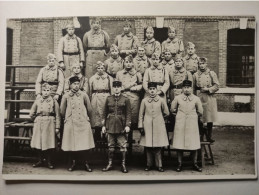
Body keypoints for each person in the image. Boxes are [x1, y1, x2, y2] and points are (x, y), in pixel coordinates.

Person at [60, 76, 95, 172]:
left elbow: (90, 109)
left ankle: (85, 163)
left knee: (85, 144)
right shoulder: (66, 96)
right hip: (71, 122)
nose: (76, 86)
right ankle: (73, 162)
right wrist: (68, 118)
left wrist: (86, 118)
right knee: (72, 144)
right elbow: (62, 111)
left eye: (77, 84)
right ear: (70, 85)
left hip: (83, 122)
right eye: (74, 84)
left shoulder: (84, 95)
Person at [170, 80, 203, 172]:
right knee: (179, 143)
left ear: (191, 88)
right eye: (184, 87)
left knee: (194, 143)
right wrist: (179, 116)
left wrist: (193, 116)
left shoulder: (196, 99)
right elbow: (173, 109)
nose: (186, 89)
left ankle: (194, 163)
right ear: (182, 88)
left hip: (192, 123)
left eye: (188, 87)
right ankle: (179, 163)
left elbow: (200, 111)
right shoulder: (177, 98)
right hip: (180, 122)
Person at [138, 82, 169, 172]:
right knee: (148, 146)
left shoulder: (161, 100)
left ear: (157, 90)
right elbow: (141, 115)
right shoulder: (144, 101)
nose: (152, 91)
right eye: (150, 89)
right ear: (147, 90)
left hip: (158, 125)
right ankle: (149, 164)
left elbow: (166, 113)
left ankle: (159, 165)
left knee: (158, 146)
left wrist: (160, 119)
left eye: (153, 89)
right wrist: (141, 126)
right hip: (147, 125)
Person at [102, 81, 131, 173]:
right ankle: (110, 164)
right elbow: (104, 113)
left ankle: (123, 165)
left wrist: (127, 125)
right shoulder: (108, 98)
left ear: (121, 88)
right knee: (110, 146)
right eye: (115, 87)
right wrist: (103, 125)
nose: (116, 89)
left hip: (121, 126)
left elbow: (128, 114)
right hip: (110, 125)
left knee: (123, 146)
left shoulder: (126, 99)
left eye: (118, 87)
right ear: (112, 88)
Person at [30, 83, 60, 169]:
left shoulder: (54, 101)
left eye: (48, 90)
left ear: (50, 91)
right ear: (41, 91)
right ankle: (40, 160)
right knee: (38, 142)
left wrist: (57, 127)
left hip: (50, 123)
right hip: (39, 122)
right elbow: (32, 113)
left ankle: (49, 161)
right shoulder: (38, 100)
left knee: (49, 142)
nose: (46, 92)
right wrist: (36, 119)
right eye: (44, 90)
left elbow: (58, 115)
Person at [193, 57, 219, 142]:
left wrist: (208, 89)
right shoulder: (195, 75)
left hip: (209, 97)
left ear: (206, 64)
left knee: (209, 117)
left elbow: (217, 86)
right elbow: (193, 88)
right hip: (199, 97)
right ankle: (200, 135)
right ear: (198, 65)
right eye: (200, 64)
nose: (202, 65)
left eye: (203, 63)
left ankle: (209, 136)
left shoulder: (212, 73)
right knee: (199, 117)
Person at [89, 61, 113, 141]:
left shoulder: (109, 78)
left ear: (105, 69)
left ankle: (105, 134)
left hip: (105, 97)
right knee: (96, 116)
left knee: (105, 114)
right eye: (98, 68)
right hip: (95, 97)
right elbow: (89, 91)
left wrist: (111, 99)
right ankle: (96, 133)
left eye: (102, 68)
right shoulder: (92, 78)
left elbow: (111, 90)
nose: (100, 70)